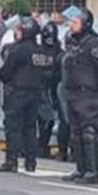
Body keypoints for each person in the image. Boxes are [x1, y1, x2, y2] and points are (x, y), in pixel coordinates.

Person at [0, 17, 57, 173]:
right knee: (30, 128)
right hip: (35, 92)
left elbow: (5, 72)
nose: (17, 33)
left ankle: (12, 160)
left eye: (19, 30)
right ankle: (31, 161)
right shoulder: (40, 50)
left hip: (17, 92)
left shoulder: (18, 50)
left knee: (13, 127)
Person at [61, 8, 98, 185]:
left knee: (89, 132)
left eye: (74, 22)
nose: (70, 26)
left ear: (85, 24)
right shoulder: (74, 44)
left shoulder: (94, 45)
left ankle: (93, 170)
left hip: (89, 95)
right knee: (76, 133)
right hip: (73, 94)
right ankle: (81, 168)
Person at [37, 21, 65, 160]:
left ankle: (42, 146)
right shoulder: (39, 51)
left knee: (48, 120)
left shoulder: (58, 52)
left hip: (51, 91)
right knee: (45, 120)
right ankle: (40, 146)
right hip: (41, 89)